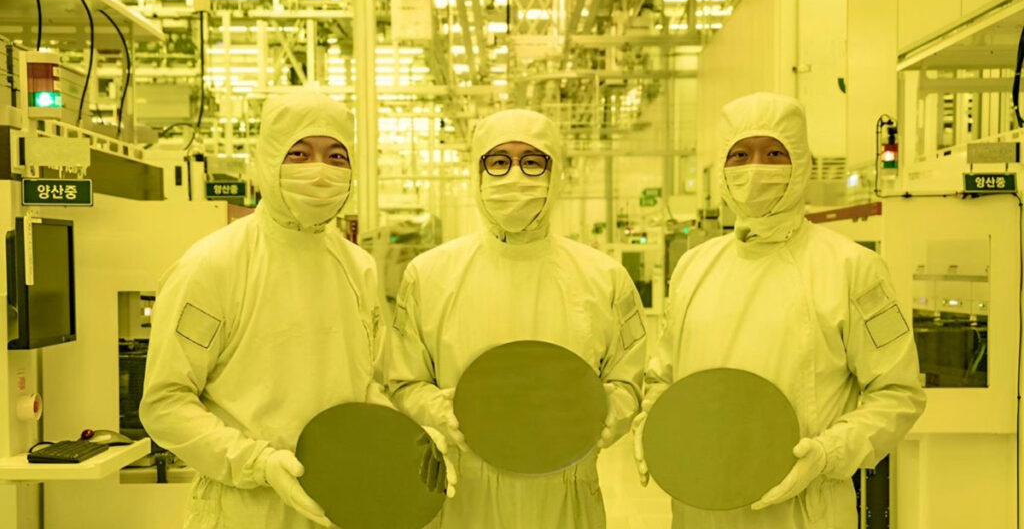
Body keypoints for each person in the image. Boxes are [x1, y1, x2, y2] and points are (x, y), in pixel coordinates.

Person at [140, 92, 452, 529]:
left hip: (344, 502)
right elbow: (165, 404)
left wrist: (411, 437)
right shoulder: (213, 266)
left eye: (336, 156)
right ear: (268, 160)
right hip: (245, 510)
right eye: (300, 154)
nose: (320, 171)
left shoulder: (356, 267)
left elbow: (366, 387)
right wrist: (258, 464)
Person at [632, 92, 926, 528]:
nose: (756, 169)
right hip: (700, 505)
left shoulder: (855, 269)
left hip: (804, 511)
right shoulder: (695, 266)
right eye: (740, 154)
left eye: (774, 154)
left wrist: (829, 453)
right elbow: (664, 377)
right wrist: (652, 420)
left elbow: (899, 393)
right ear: (723, 168)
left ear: (801, 163)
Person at [385, 108, 647, 528]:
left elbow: (629, 379)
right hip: (464, 493)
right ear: (479, 173)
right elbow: (402, 381)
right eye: (499, 162)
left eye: (531, 162)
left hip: (566, 492)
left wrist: (601, 415)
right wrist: (440, 411)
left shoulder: (603, 277)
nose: (515, 177)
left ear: (554, 172)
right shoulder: (430, 275)